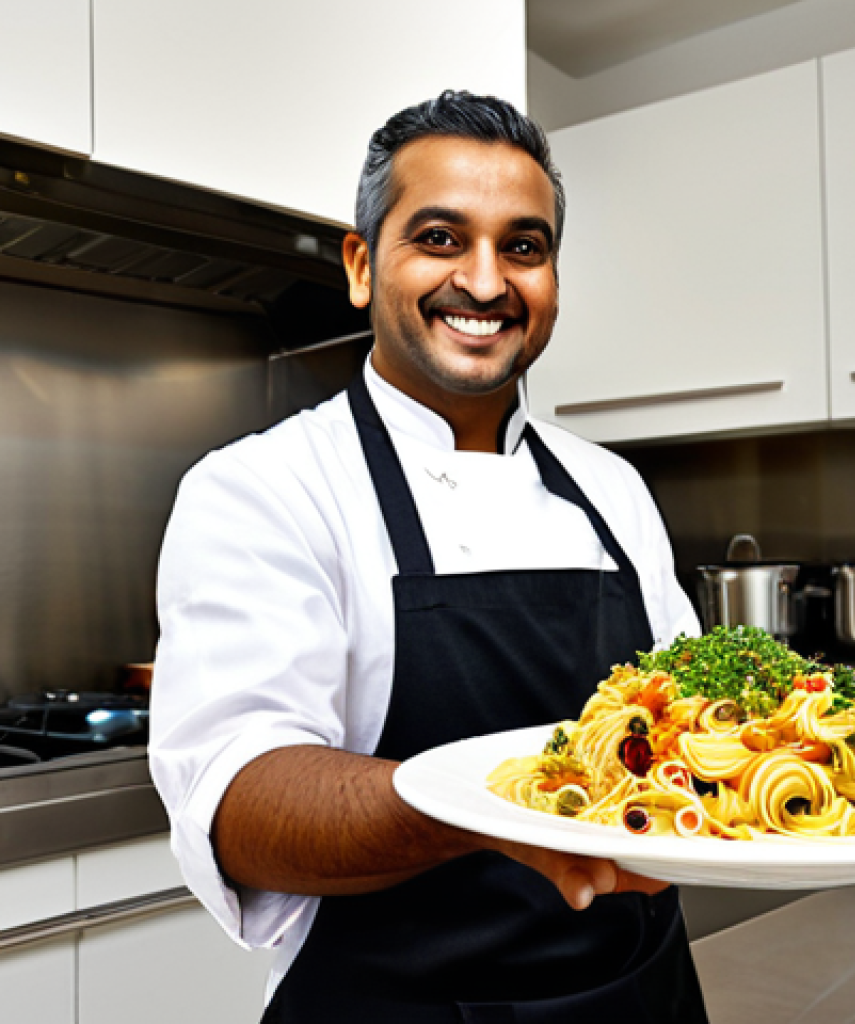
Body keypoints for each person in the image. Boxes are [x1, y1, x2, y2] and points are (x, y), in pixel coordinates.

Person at [150, 90, 709, 1023]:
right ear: (363, 266)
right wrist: (508, 807)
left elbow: (688, 724)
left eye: (523, 247)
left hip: (642, 995)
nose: (486, 284)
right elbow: (240, 803)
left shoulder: (611, 487)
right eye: (441, 238)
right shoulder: (265, 486)